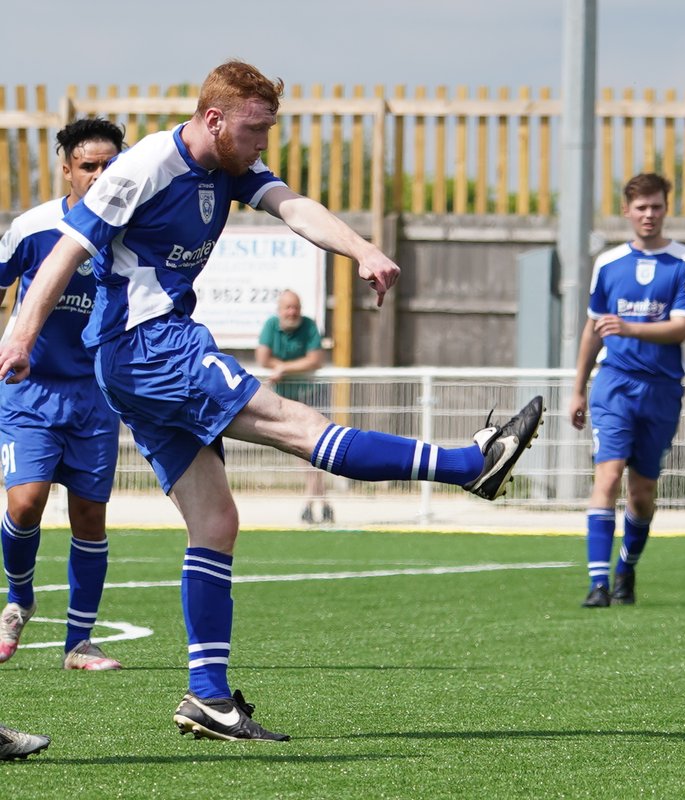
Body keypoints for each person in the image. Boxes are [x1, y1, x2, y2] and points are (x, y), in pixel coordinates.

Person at [0, 60, 543, 742]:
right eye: (256, 129)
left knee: (216, 521)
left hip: (139, 360)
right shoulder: (143, 167)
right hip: (149, 345)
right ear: (214, 119)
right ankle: (468, 465)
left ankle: (207, 697)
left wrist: (362, 249)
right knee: (295, 423)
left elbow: (294, 206)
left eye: (269, 129)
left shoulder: (229, 167)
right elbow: (66, 251)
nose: (263, 142)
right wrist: (20, 335)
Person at [0, 118, 127, 672]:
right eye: (88, 166)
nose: (99, 177)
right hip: (29, 391)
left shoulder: (132, 228)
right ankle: (19, 598)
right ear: (66, 169)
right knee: (25, 503)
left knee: (89, 517)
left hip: (95, 396)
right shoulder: (33, 228)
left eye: (109, 166)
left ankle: (79, 642)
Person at [569, 173, 685, 608]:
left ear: (667, 209)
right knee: (607, 476)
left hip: (662, 388)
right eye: (641, 208)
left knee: (642, 493)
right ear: (626, 211)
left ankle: (626, 568)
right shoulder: (608, 264)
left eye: (657, 207)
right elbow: (593, 328)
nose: (649, 215)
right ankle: (598, 584)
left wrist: (629, 326)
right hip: (614, 384)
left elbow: (681, 329)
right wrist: (578, 389)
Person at [255, 290, 332, 524]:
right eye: (288, 307)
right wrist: (288, 366)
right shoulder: (271, 326)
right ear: (280, 310)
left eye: (296, 307)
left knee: (313, 450)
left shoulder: (308, 326)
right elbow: (263, 358)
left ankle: (313, 502)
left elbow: (315, 360)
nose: (292, 312)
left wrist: (284, 369)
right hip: (283, 401)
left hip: (310, 397)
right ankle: (319, 502)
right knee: (306, 451)